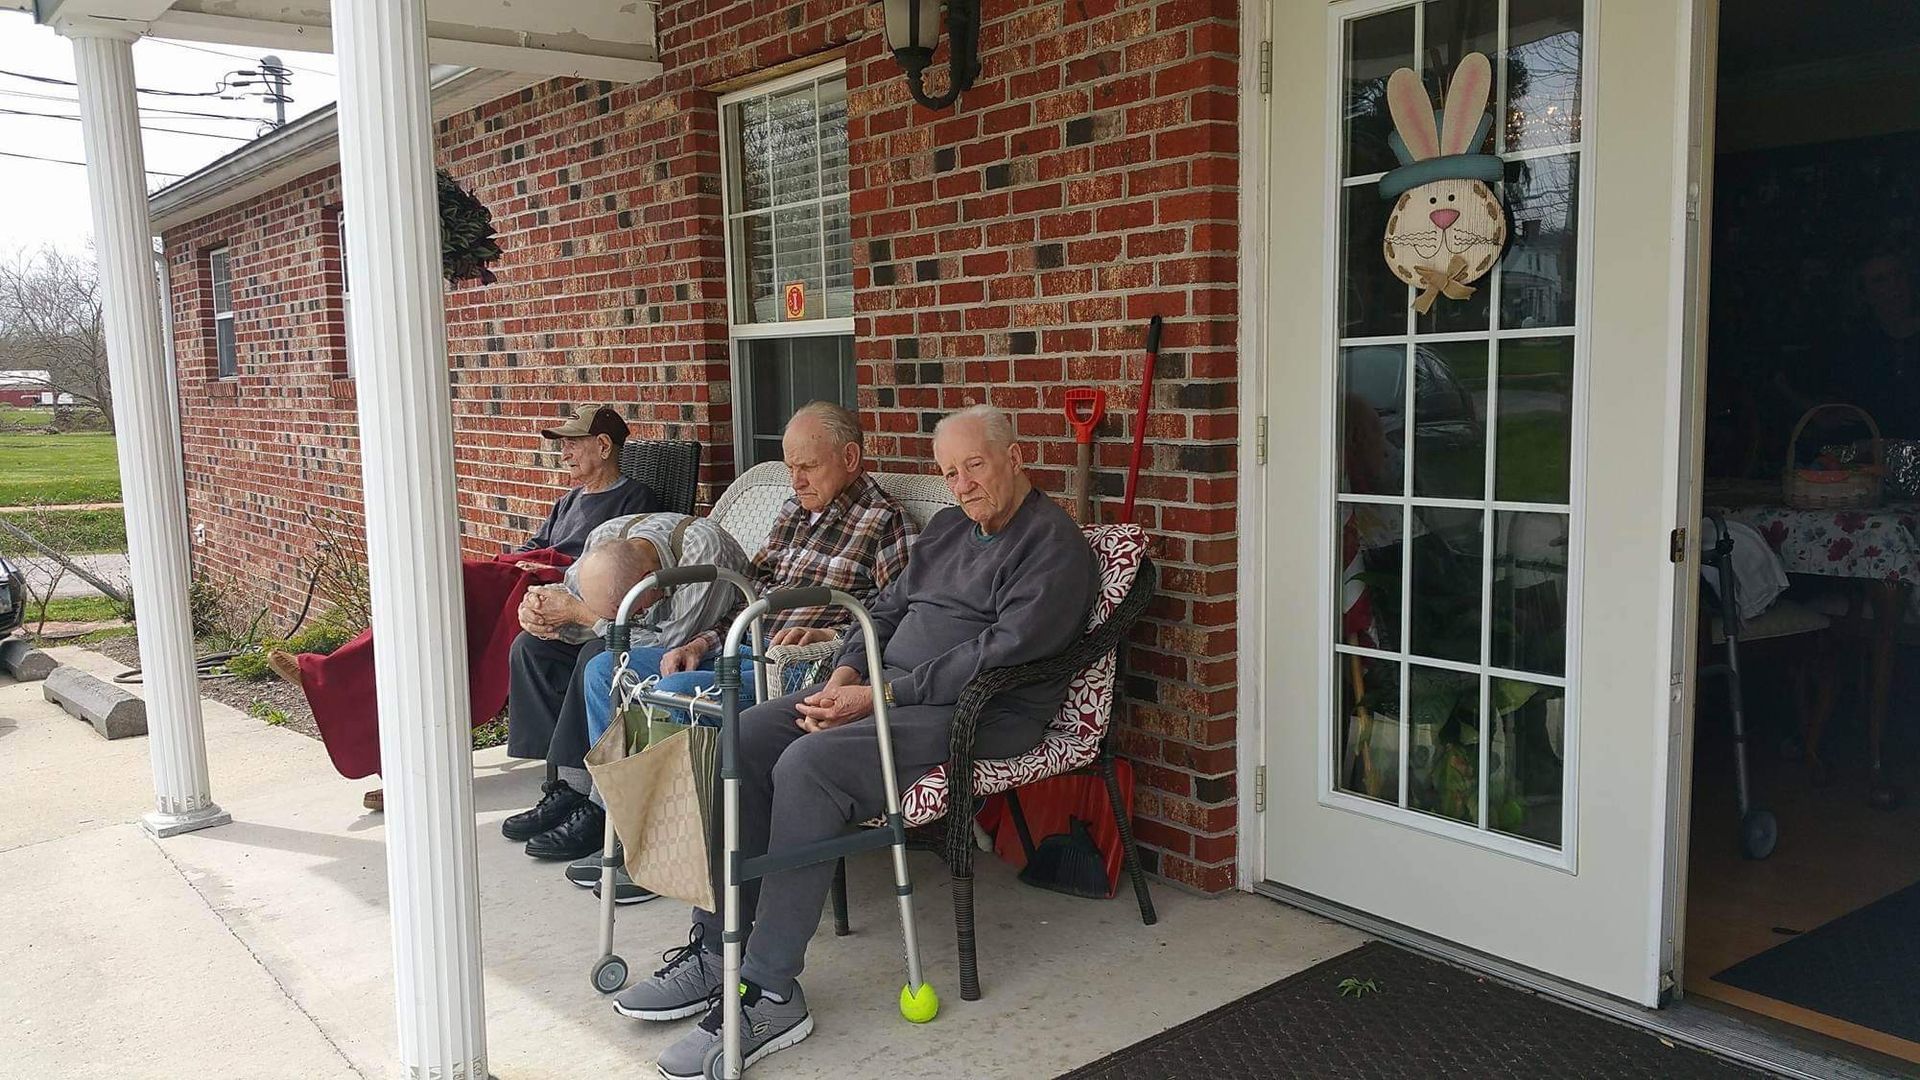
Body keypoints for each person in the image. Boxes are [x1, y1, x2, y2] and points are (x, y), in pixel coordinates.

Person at [615, 405, 1098, 1080]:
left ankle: (771, 988)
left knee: (812, 766)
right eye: (949, 472)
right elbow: (889, 607)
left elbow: (1000, 655)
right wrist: (847, 669)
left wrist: (878, 697)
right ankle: (715, 949)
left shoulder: (1053, 546)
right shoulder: (953, 529)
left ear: (1016, 458)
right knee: (745, 736)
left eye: (975, 466)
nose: (960, 485)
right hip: (884, 688)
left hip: (979, 713)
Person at [567, 401, 917, 903]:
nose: (795, 479)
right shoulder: (796, 511)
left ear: (851, 457)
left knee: (674, 693)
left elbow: (893, 617)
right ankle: (628, 830)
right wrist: (701, 641)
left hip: (792, 673)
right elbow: (754, 593)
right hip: (738, 648)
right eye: (790, 465)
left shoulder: (884, 523)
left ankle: (682, 851)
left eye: (807, 466)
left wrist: (836, 642)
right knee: (606, 670)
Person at [267, 403, 660, 811]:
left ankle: (336, 674)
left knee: (449, 588)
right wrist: (524, 559)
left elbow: (613, 569)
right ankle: (357, 693)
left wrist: (542, 564)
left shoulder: (635, 497)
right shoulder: (570, 500)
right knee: (434, 635)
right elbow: (532, 545)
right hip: (521, 582)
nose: (564, 454)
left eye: (573, 444)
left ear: (602, 445)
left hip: (561, 589)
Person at [499, 509, 751, 861]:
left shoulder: (702, 552)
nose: (628, 615)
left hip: (688, 640)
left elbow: (672, 639)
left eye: (628, 610)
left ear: (651, 580)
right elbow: (570, 593)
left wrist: (585, 616)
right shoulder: (607, 536)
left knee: (598, 654)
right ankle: (568, 788)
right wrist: (538, 610)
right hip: (640, 635)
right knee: (531, 648)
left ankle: (596, 803)